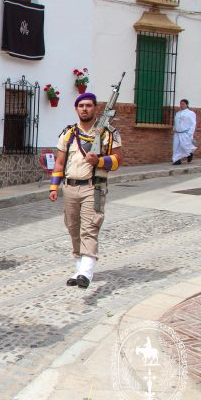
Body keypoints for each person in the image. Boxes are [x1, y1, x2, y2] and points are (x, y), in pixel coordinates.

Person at [48, 92, 123, 289]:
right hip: (70, 186)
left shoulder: (108, 133)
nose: (84, 109)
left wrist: (99, 161)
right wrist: (54, 186)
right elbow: (59, 162)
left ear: (95, 108)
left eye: (88, 105)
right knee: (73, 227)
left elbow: (118, 160)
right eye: (81, 106)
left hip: (93, 186)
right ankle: (79, 269)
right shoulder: (69, 133)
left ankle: (86, 273)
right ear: (76, 109)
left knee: (90, 227)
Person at [172, 99, 197, 165]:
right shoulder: (178, 113)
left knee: (185, 146)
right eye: (180, 104)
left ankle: (190, 153)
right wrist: (175, 128)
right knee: (176, 146)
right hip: (177, 133)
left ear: (187, 104)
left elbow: (193, 124)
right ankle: (177, 160)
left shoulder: (191, 113)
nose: (181, 105)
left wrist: (190, 133)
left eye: (183, 104)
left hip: (185, 133)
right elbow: (176, 122)